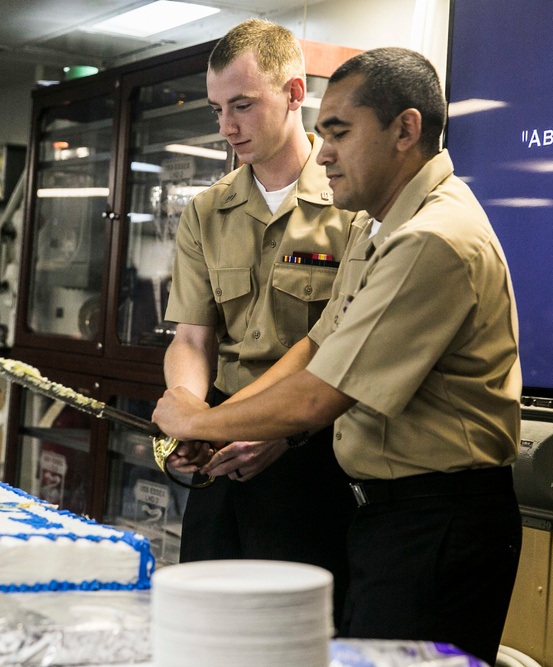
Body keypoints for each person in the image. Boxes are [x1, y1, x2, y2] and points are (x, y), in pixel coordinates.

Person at [154, 47, 523, 665]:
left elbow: (324, 392)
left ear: (405, 129)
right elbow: (319, 342)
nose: (325, 153)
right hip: (377, 508)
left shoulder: (429, 238)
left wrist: (195, 423)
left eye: (340, 133)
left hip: (432, 516)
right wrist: (207, 425)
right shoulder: (378, 225)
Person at [161, 19, 358, 626]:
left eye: (242, 105)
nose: (226, 127)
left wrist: (278, 431)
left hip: (312, 451)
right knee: (204, 625)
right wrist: (187, 415)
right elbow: (192, 337)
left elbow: (343, 350)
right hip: (220, 448)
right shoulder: (206, 210)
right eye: (218, 108)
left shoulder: (353, 204)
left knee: (291, 635)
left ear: (296, 93)